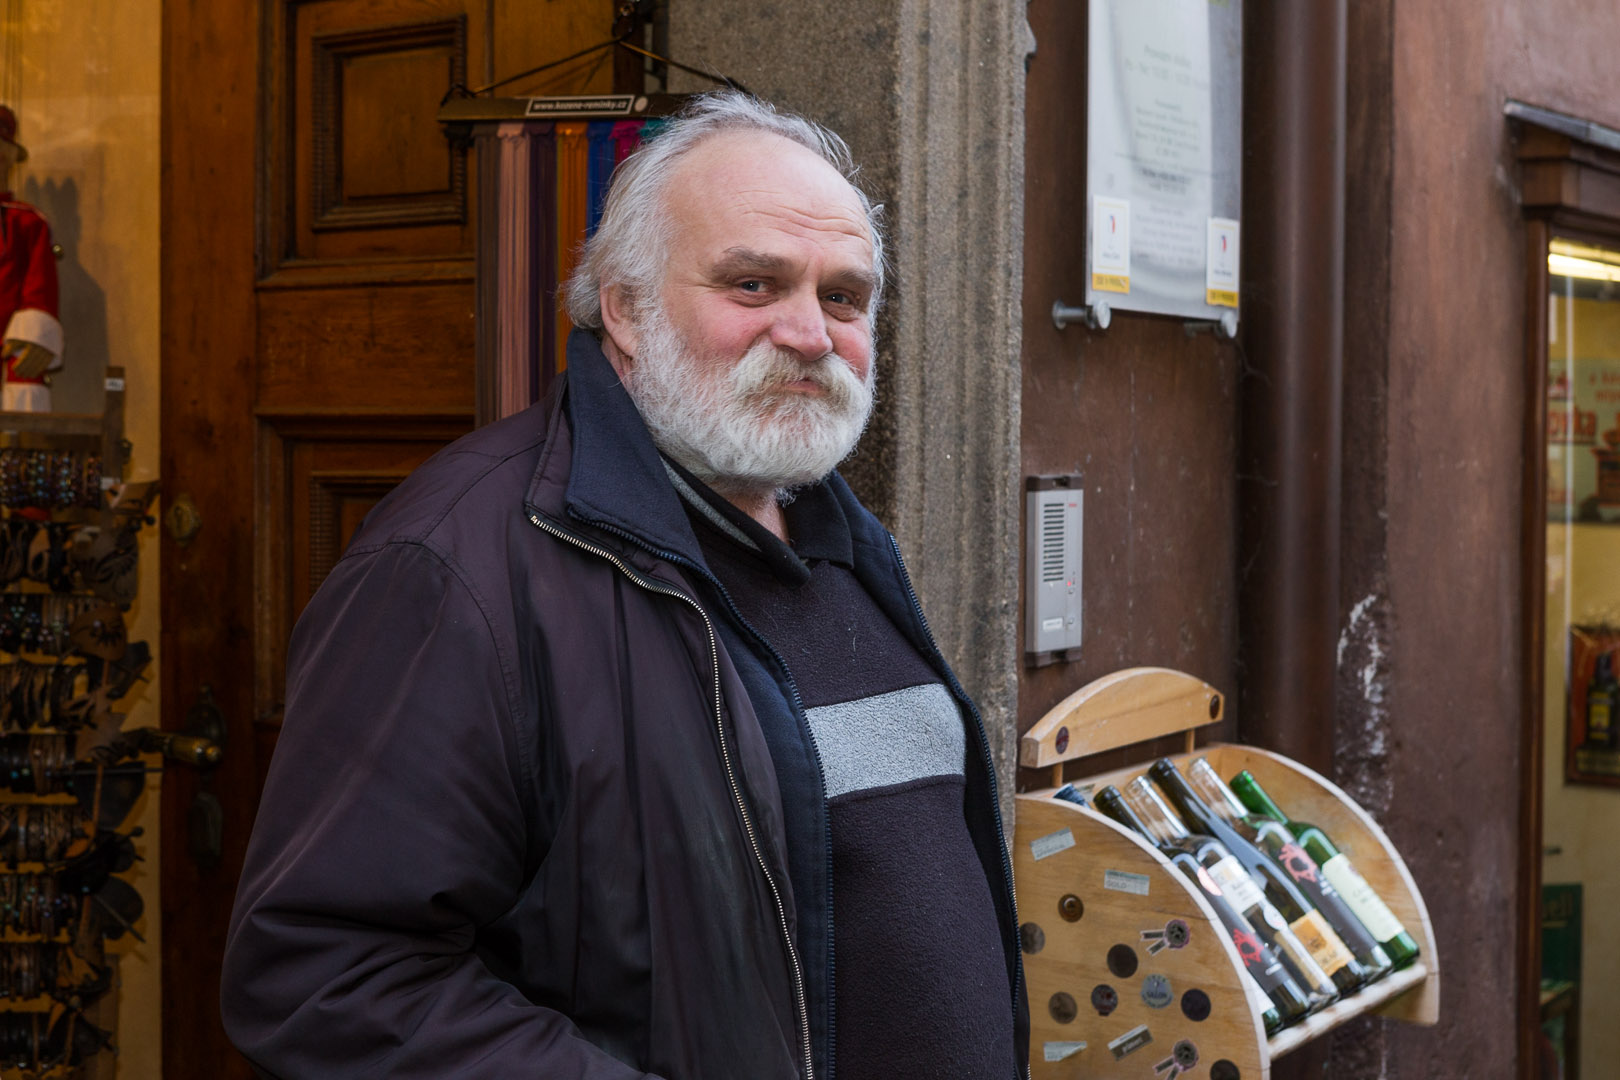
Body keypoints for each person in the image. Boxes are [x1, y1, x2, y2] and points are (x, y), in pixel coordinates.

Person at [222, 91, 1029, 1080]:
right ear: (625, 308)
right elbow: (323, 977)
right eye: (752, 284)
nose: (812, 334)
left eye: (845, 297)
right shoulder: (455, 566)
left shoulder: (842, 539)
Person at [0, 105, 62, 413]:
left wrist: (35, 337)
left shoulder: (27, 223)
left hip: (9, 349)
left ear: (10, 160)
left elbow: (40, 287)